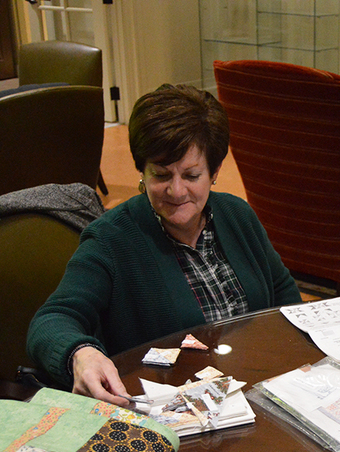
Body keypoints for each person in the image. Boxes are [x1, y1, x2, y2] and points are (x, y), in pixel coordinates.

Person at [28, 84, 301, 405]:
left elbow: (283, 293)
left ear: (214, 172)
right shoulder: (111, 239)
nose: (176, 191)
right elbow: (52, 320)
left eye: (191, 175)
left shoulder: (236, 214)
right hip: (174, 408)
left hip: (260, 389)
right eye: (160, 175)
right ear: (141, 172)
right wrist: (80, 354)